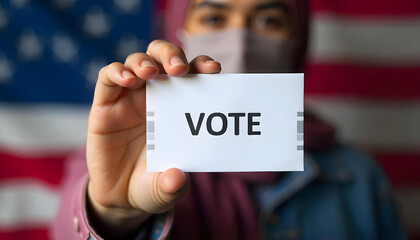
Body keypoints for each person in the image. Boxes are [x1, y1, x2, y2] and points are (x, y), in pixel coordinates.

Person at [52, 0, 405, 239]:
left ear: (297, 39)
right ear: (178, 30)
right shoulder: (129, 151)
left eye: (268, 19)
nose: (241, 38)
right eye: (214, 18)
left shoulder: (359, 179)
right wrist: (113, 212)